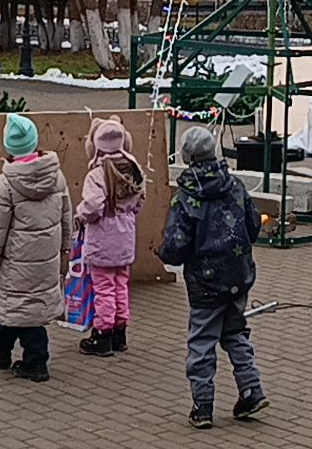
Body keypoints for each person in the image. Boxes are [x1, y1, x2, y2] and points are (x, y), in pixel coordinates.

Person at [157, 126, 268, 429]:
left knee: (202, 340)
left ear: (187, 156)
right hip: (238, 274)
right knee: (235, 331)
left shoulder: (186, 197)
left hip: (205, 282)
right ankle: (251, 389)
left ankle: (203, 405)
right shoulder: (235, 185)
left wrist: (164, 254)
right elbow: (254, 224)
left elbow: (177, 245)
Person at [0, 114, 75, 382]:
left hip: (16, 261)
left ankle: (36, 362)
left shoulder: (5, 185)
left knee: (23, 311)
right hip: (46, 259)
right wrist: (65, 247)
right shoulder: (56, 176)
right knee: (24, 306)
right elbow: (66, 216)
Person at [75, 115, 145, 358]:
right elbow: (139, 203)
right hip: (126, 236)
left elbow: (93, 206)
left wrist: (80, 215)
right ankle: (120, 331)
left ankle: (102, 334)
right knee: (121, 284)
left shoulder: (97, 173)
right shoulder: (134, 169)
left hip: (104, 237)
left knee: (103, 287)